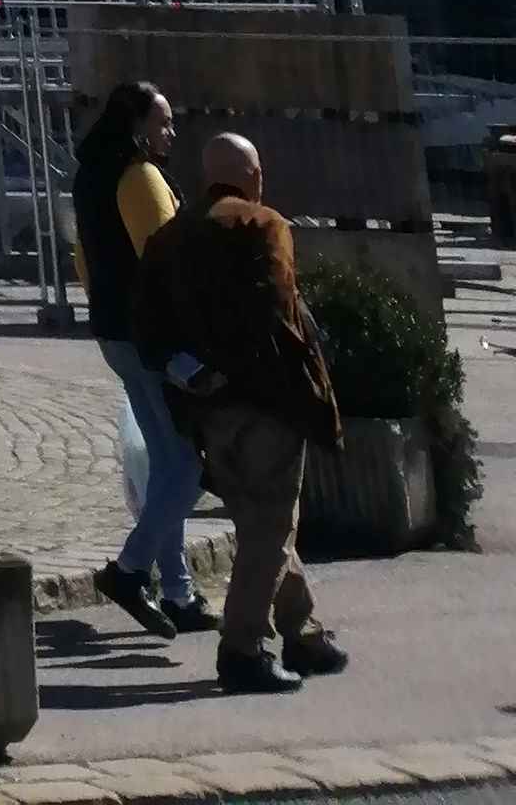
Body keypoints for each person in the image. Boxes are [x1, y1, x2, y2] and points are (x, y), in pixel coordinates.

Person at [132, 128, 349, 694]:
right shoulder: (262, 224)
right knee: (271, 527)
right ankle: (243, 648)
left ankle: (302, 632)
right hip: (266, 401)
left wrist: (194, 374)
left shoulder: (169, 237)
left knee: (262, 523)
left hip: (207, 405)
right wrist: (305, 388)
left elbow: (148, 330)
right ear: (252, 176)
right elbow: (278, 314)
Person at [72, 78, 207, 635]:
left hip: (114, 333)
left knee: (163, 462)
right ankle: (130, 570)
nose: (171, 132)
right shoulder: (140, 176)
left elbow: (82, 256)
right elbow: (170, 262)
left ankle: (177, 590)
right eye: (163, 122)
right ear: (137, 127)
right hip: (153, 339)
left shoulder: (90, 176)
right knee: (187, 465)